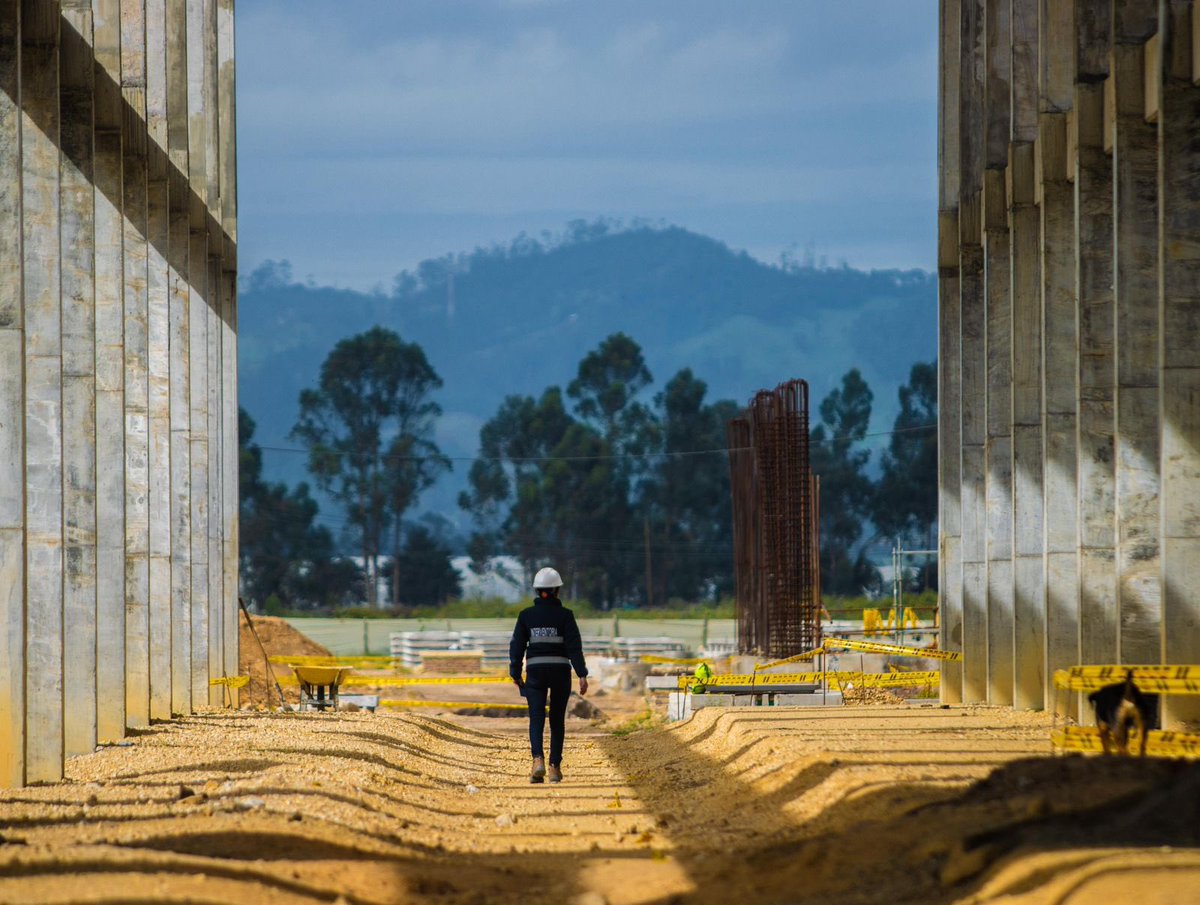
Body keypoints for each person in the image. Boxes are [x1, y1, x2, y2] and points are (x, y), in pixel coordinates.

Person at [509, 566, 589, 783]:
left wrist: (515, 673)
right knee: (556, 720)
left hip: (535, 672)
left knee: (536, 718)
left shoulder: (526, 616)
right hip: (560, 672)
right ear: (557, 591)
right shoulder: (566, 616)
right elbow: (574, 647)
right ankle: (554, 767)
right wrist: (582, 674)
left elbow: (516, 646)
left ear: (537, 590)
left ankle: (538, 761)